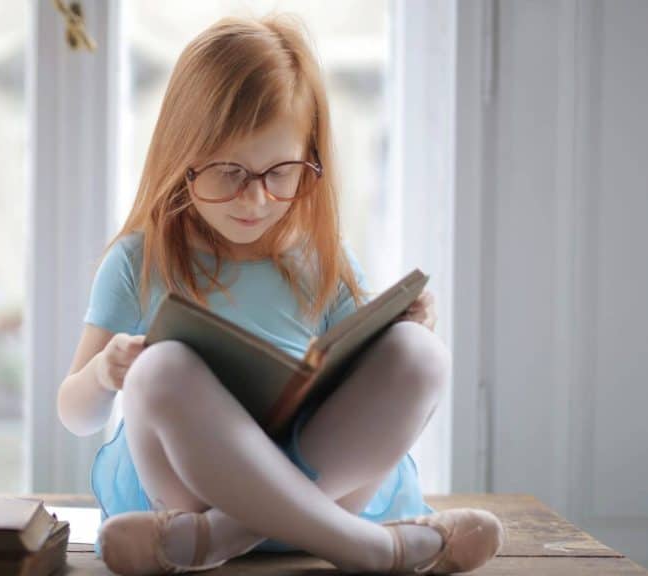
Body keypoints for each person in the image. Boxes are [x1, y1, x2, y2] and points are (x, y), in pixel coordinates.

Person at [57, 14, 504, 575]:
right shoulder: (139, 260)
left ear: (309, 162)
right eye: (228, 173)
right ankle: (373, 550)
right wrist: (104, 372)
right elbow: (74, 414)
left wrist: (406, 324)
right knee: (159, 369)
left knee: (421, 355)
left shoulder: (321, 258)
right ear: (182, 158)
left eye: (281, 172)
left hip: (300, 493)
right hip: (187, 493)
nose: (257, 200)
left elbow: (369, 376)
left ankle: (221, 538)